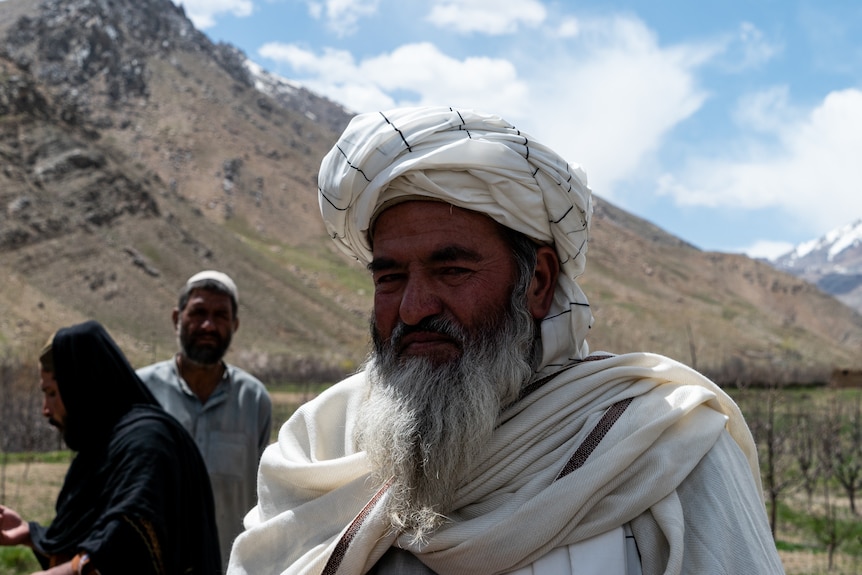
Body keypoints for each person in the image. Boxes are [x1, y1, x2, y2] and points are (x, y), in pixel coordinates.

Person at [227, 107, 785, 574]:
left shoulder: (665, 446)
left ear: (537, 282)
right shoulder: (319, 445)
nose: (414, 308)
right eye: (390, 277)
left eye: (452, 271)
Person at [0, 320, 221, 574]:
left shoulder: (148, 443)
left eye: (51, 393)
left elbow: (129, 536)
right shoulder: (100, 449)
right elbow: (88, 536)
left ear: (79, 387)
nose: (46, 410)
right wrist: (30, 535)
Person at [137, 270, 272, 569]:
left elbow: (263, 495)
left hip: (229, 566)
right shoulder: (141, 392)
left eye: (220, 315)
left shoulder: (253, 400)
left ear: (234, 325)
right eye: (198, 312)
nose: (208, 325)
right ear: (177, 318)